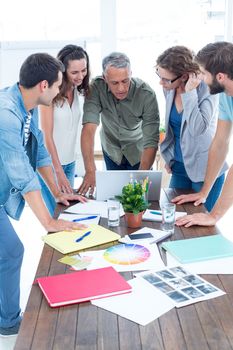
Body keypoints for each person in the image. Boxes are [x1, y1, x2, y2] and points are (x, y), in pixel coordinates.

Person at [0, 53, 87, 337]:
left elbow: (38, 151)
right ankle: (9, 322)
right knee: (12, 251)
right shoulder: (6, 115)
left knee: (9, 252)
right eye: (58, 85)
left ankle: (7, 318)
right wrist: (49, 222)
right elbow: (22, 173)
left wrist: (58, 193)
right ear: (43, 85)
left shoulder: (28, 103)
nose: (61, 90)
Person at [78, 52, 160, 196]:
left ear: (131, 74)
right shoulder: (96, 88)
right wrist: (90, 170)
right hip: (112, 150)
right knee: (115, 196)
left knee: (140, 198)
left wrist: (143, 175)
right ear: (105, 78)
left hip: (138, 152)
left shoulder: (146, 94)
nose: (121, 88)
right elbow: (89, 129)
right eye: (114, 83)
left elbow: (151, 140)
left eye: (125, 81)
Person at [156, 46, 227, 211]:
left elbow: (197, 129)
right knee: (173, 215)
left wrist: (189, 93)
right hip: (179, 166)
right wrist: (170, 156)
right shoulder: (169, 88)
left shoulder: (209, 89)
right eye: (160, 76)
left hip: (204, 168)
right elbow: (174, 128)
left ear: (184, 76)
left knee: (198, 223)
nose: (161, 82)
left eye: (166, 79)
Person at [173, 42, 233, 227]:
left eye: (203, 74)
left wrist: (213, 216)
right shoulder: (225, 95)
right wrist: (204, 191)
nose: (201, 79)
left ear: (220, 76)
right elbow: (220, 142)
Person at [39, 45, 90, 215]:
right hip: (51, 167)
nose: (80, 76)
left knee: (67, 214)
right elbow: (47, 136)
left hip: (69, 163)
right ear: (62, 70)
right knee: (56, 214)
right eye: (74, 72)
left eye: (83, 70)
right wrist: (58, 171)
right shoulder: (49, 93)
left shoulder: (76, 91)